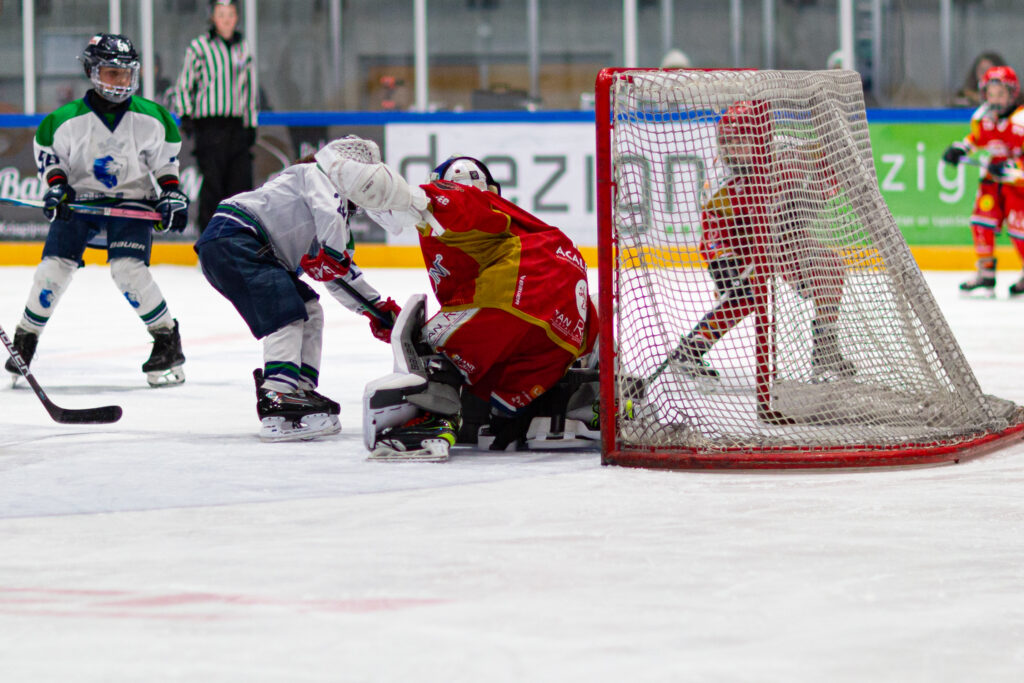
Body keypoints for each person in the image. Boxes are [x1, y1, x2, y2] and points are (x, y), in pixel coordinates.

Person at [314, 143, 599, 459]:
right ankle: (565, 405)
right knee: (494, 400)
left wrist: (341, 172)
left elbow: (409, 198)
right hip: (568, 330)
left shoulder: (459, 200)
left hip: (520, 291)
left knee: (433, 351)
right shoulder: (502, 222)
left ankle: (431, 422)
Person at [5, 33, 188, 388]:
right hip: (80, 201)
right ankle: (24, 341)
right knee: (52, 270)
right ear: (92, 72)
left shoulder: (152, 118)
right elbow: (51, 159)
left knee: (127, 270)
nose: (120, 81)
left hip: (132, 200)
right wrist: (57, 186)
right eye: (111, 72)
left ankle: (167, 341)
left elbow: (166, 163)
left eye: (126, 73)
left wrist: (170, 192)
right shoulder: (64, 120)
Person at [194, 137, 400, 442]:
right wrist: (334, 254)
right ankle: (277, 394)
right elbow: (329, 221)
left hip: (252, 249)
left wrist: (375, 308)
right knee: (286, 312)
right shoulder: (314, 176)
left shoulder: (332, 214)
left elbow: (339, 274)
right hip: (234, 238)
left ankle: (298, 390)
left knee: (309, 310)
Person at [670, 100, 854, 387]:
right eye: (726, 142)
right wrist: (723, 264)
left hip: (785, 238)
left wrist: (807, 203)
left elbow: (830, 167)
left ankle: (825, 350)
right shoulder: (722, 181)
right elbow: (713, 230)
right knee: (745, 295)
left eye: (739, 141)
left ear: (759, 138)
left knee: (829, 266)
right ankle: (691, 350)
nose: (731, 150)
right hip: (743, 245)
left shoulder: (789, 154)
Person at [170, 0, 258, 233]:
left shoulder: (243, 48)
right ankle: (209, 238)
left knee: (240, 186)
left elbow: (249, 88)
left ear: (237, 17)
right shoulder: (199, 47)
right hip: (209, 126)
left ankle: (238, 237)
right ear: (213, 18)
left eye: (231, 14)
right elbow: (184, 85)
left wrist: (250, 123)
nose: (226, 20)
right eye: (221, 14)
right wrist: (186, 114)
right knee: (213, 186)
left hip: (236, 126)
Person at [942, 64, 1024, 296]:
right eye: (990, 94)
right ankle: (985, 273)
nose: (995, 100)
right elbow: (975, 139)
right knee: (981, 221)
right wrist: (960, 148)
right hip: (992, 181)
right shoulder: (982, 118)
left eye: (1000, 94)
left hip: (1018, 186)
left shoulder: (1021, 120)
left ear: (1012, 94)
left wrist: (1013, 168)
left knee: (1019, 230)